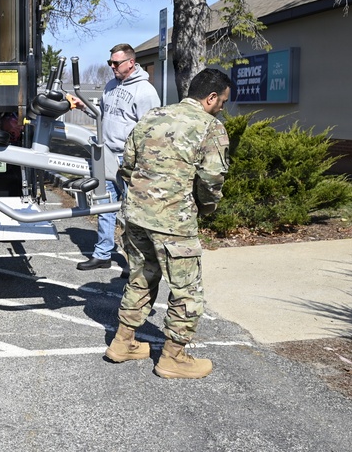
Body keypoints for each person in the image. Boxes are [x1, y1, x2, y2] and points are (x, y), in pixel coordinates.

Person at [104, 68, 231, 379]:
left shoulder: (152, 117)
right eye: (223, 101)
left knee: (141, 277)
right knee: (187, 289)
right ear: (210, 98)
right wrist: (206, 207)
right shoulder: (210, 128)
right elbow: (212, 179)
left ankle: (123, 343)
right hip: (174, 222)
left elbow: (127, 164)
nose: (223, 107)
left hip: (135, 216)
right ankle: (174, 357)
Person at [69, 44, 160, 271]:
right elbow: (102, 115)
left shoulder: (145, 91)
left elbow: (152, 131)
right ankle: (103, 254)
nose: (112, 66)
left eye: (116, 63)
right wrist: (83, 106)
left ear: (131, 62)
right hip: (108, 156)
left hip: (131, 160)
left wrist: (142, 162)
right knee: (104, 206)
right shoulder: (111, 85)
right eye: (110, 62)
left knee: (133, 213)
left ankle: (136, 265)